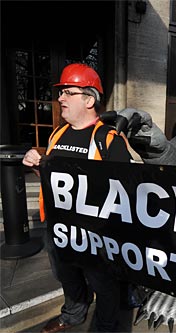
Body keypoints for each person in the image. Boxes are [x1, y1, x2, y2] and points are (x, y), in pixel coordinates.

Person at [22, 63, 133, 333]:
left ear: (89, 99)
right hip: (58, 227)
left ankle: (106, 326)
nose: (60, 98)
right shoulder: (57, 134)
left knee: (103, 283)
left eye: (68, 92)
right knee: (66, 275)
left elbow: (129, 188)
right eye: (61, 92)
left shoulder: (109, 139)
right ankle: (73, 313)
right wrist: (38, 167)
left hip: (94, 233)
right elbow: (55, 181)